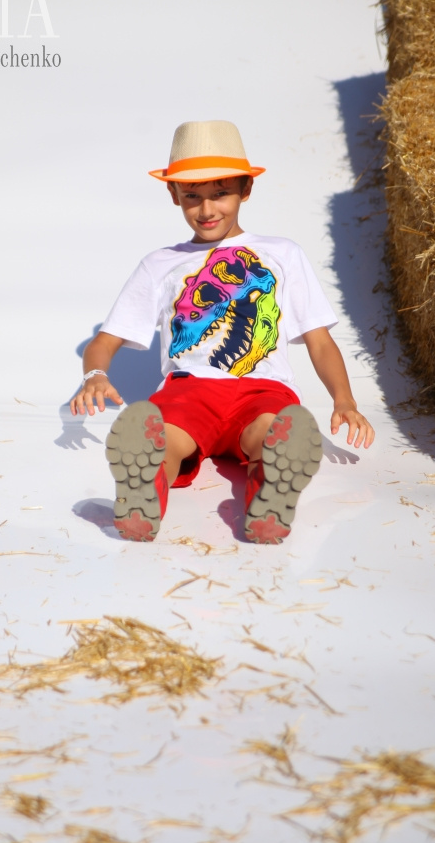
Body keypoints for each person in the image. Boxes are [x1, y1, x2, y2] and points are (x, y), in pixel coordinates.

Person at [70, 120, 375, 544]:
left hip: (264, 390)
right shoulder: (160, 263)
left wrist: (345, 400)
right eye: (192, 196)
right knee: (165, 436)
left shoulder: (282, 254)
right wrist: (94, 376)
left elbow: (319, 341)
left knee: (272, 434)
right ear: (173, 194)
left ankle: (267, 499)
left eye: (220, 193)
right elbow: (104, 342)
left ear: (245, 190)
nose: (206, 209)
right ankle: (144, 496)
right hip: (188, 389)